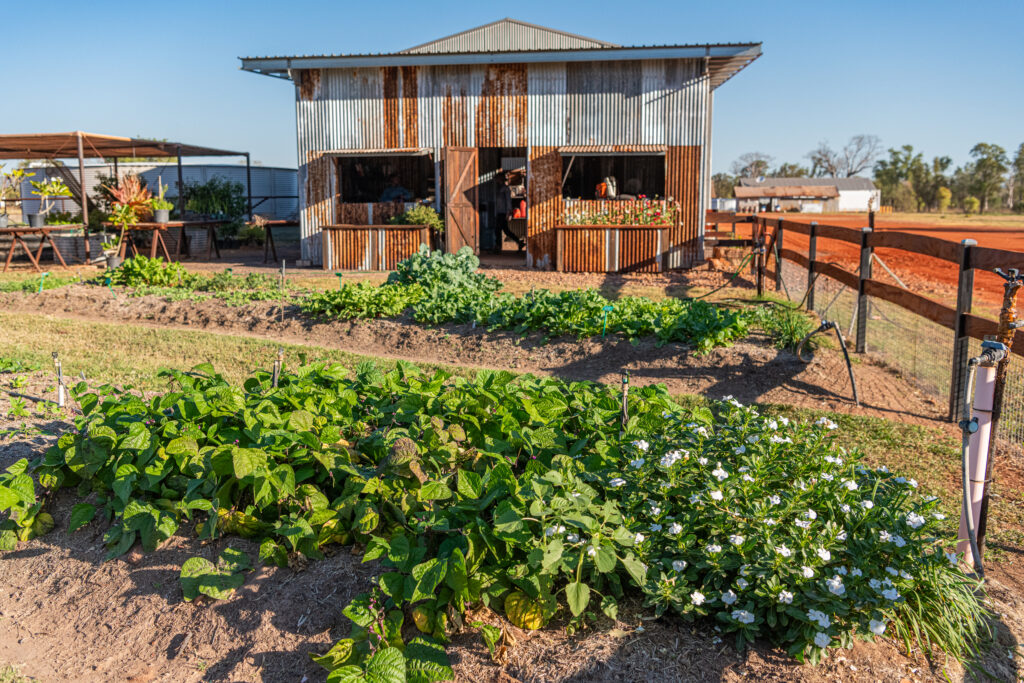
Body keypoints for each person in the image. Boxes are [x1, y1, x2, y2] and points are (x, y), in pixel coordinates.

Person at [494, 170, 525, 252]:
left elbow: (508, 201)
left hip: (503, 212)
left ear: (501, 179)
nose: (496, 180)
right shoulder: (500, 188)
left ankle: (498, 247)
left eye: (498, 178)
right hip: (500, 212)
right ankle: (519, 242)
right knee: (506, 231)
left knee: (498, 229)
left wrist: (509, 212)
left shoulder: (505, 189)